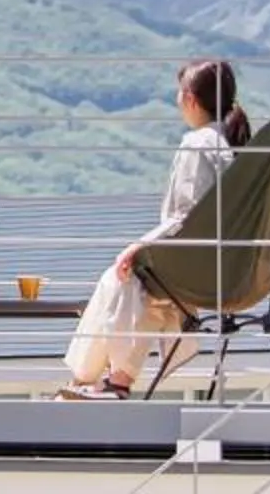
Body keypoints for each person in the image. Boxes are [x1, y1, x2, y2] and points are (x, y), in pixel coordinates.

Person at [60, 58, 252, 400]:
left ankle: (98, 379)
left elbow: (187, 217)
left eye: (179, 94)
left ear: (191, 99)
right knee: (144, 283)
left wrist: (136, 246)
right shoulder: (235, 147)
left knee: (125, 275)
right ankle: (104, 380)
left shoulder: (197, 144)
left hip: (203, 268)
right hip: (235, 267)